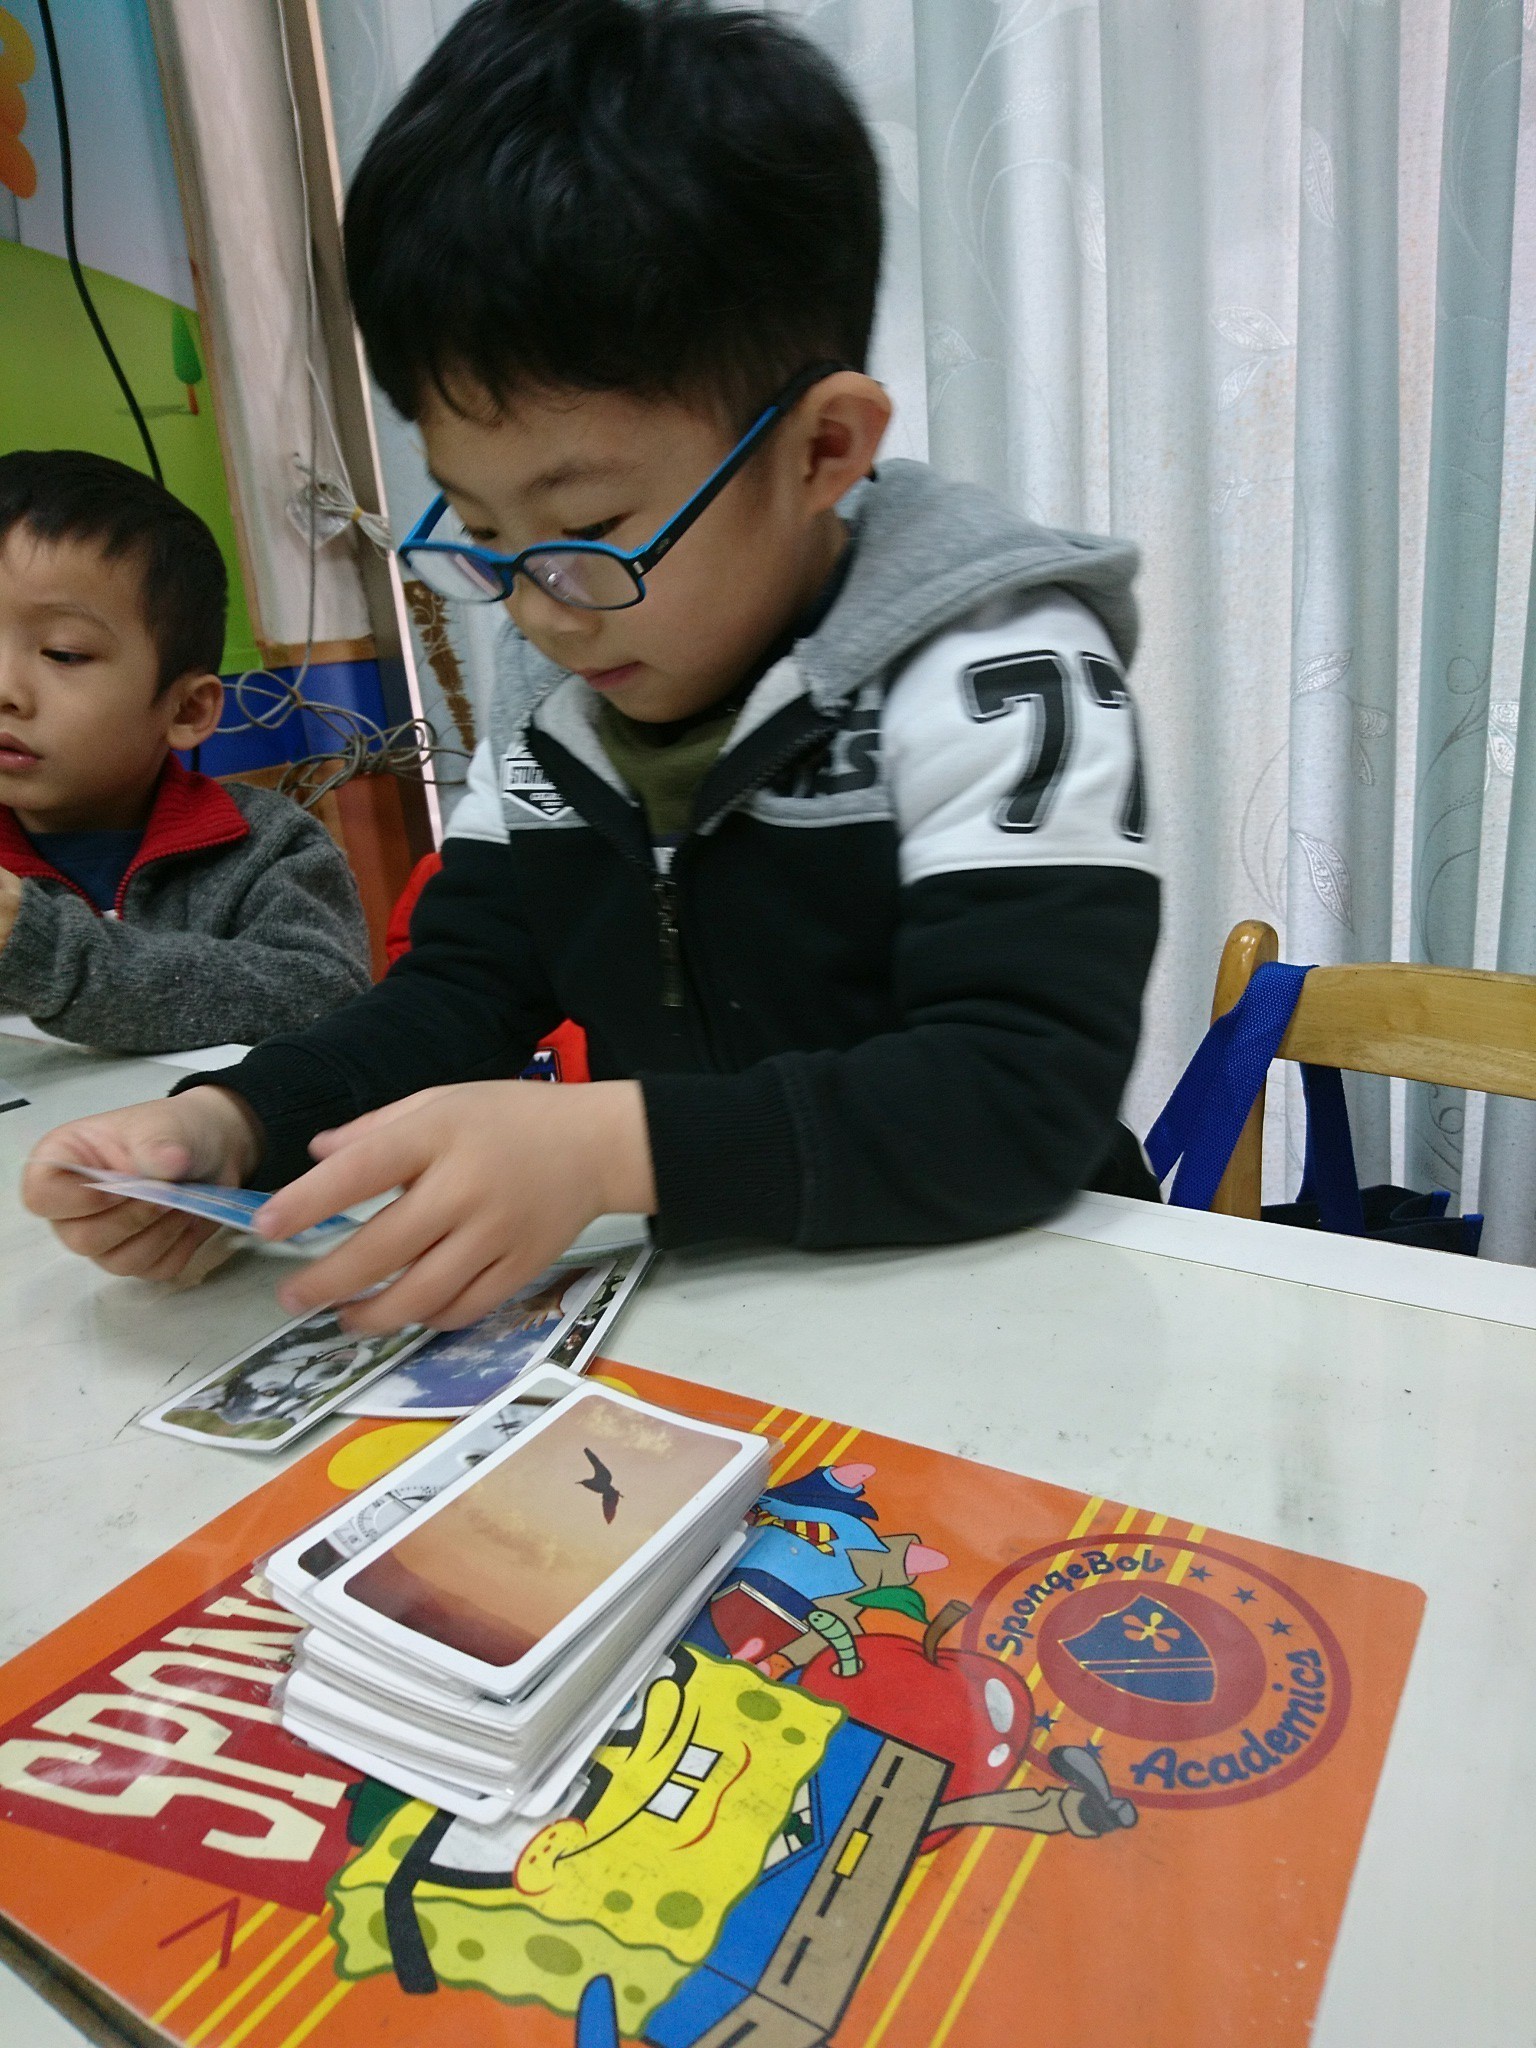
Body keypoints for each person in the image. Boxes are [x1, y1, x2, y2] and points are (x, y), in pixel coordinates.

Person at [23, 0, 1160, 1315]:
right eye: (484, 531)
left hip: (1025, 1294)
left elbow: (1020, 1096)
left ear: (823, 449)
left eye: (590, 531)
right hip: (726, 1303)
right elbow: (463, 988)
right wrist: (232, 1122)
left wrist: (614, 1149)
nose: (540, 611)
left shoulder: (997, 666)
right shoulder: (564, 688)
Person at [0, 448, 372, 1054]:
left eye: (64, 653)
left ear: (186, 710)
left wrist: (41, 948)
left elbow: (326, 995)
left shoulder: (265, 847)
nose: (5, 689)